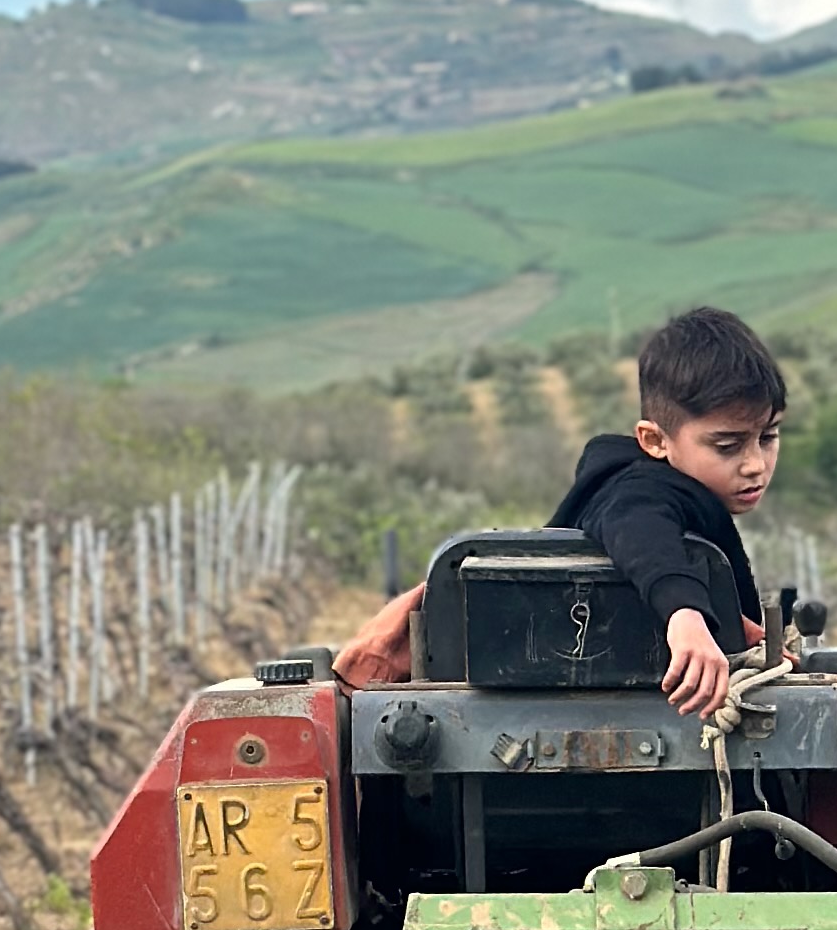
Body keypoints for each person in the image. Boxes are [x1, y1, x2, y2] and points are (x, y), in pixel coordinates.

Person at [328, 302, 781, 711]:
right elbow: (638, 526)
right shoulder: (636, 489)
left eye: (768, 437)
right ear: (655, 441)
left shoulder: (660, 488)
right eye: (727, 445)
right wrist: (685, 614)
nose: (754, 465)